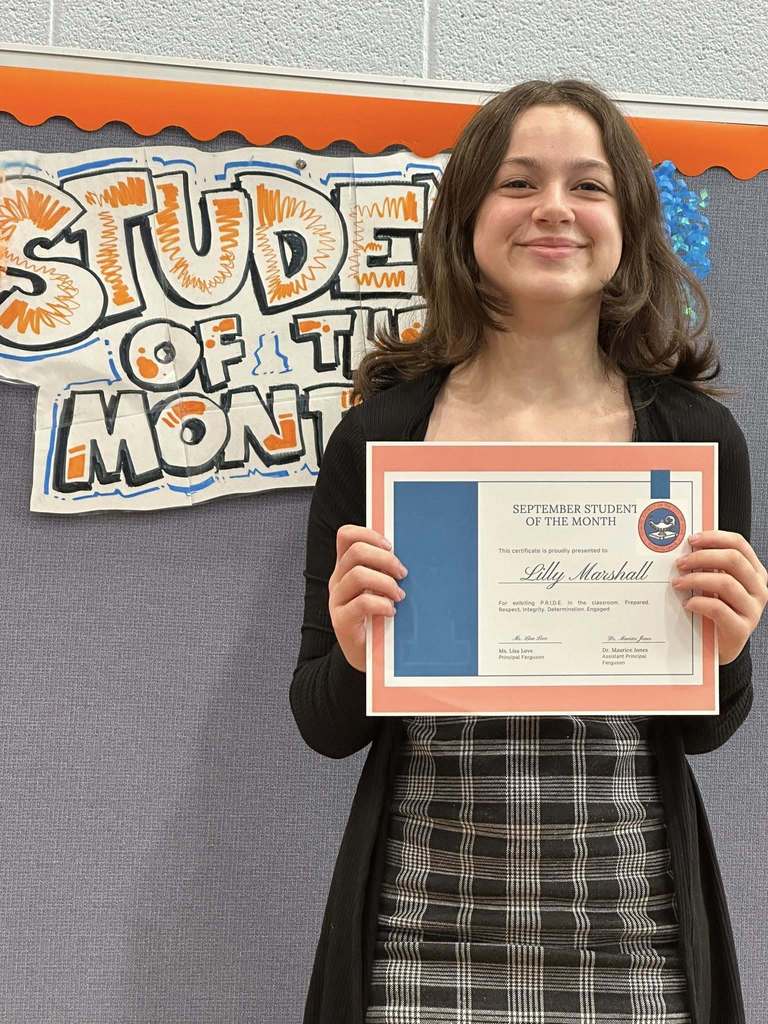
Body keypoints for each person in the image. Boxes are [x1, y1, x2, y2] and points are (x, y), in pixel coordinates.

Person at [290, 78, 767, 1024]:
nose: (554, 208)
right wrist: (351, 652)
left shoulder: (693, 440)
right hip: (420, 934)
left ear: (626, 222)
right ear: (466, 215)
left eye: (588, 186)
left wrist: (728, 648)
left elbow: (709, 727)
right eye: (518, 182)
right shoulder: (384, 440)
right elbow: (323, 721)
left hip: (634, 934)